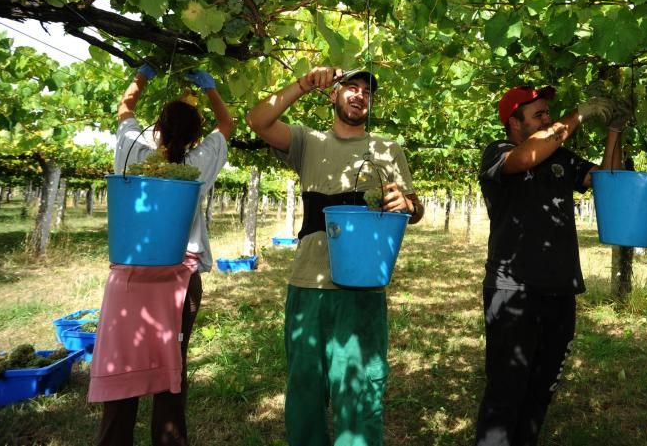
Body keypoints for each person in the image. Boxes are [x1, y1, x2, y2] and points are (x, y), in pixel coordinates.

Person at [246, 66, 423, 446]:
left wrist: (407, 202)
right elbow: (258, 119)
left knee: (359, 390)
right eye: (351, 87)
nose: (359, 95)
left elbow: (414, 208)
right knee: (305, 387)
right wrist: (304, 83)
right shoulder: (307, 142)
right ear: (333, 95)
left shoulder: (387, 149)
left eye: (366, 91)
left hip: (364, 288)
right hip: (308, 285)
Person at [474, 85, 627, 446]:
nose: (549, 119)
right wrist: (578, 114)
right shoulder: (500, 153)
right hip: (513, 291)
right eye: (539, 114)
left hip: (560, 291)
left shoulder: (560, 157)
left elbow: (609, 181)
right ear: (514, 123)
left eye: (548, 113)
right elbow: (526, 158)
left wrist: (614, 132)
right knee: (505, 393)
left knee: (541, 390)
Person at [90, 64, 232, 446]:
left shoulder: (131, 148)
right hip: (179, 279)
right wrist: (211, 90)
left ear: (157, 125)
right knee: (172, 364)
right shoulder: (197, 165)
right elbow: (227, 124)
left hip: (129, 278)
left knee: (122, 363)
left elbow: (125, 106)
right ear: (195, 137)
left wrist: (143, 75)